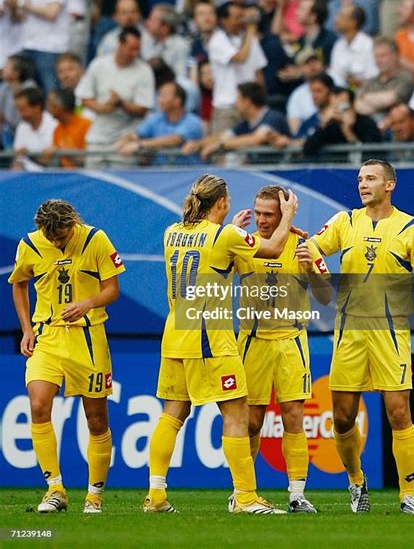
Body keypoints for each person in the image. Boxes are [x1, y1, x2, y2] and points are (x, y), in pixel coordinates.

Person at [143, 173, 297, 514]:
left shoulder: (173, 233)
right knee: (236, 413)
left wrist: (235, 233)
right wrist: (287, 216)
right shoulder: (225, 235)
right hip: (210, 339)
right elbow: (271, 249)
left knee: (172, 414)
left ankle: (155, 496)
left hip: (174, 335)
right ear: (223, 203)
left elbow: (214, 254)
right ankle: (244, 498)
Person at [310, 159, 414, 514]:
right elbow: (312, 250)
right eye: (359, 179)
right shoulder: (344, 221)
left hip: (390, 333)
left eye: (370, 178)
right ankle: (356, 483)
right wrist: (313, 263)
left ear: (389, 185)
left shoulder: (412, 228)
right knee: (342, 418)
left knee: (399, 413)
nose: (363, 184)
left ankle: (407, 495)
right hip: (349, 331)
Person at [8, 199, 125, 513]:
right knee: (37, 404)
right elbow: (19, 284)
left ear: (72, 223)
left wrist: (87, 303)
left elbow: (112, 289)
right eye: (51, 238)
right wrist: (26, 329)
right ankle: (55, 489)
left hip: (88, 337)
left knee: (97, 420)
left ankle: (94, 496)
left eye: (61, 236)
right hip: (47, 336)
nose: (56, 242)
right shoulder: (30, 244)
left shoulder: (95, 239)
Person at [233, 184, 332, 513]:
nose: (261, 220)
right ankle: (243, 492)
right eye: (257, 213)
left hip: (291, 340)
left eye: (268, 214)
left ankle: (296, 493)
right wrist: (231, 232)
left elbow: (326, 296)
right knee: (250, 421)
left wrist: (311, 270)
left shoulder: (304, 245)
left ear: (284, 214)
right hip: (253, 340)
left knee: (294, 417)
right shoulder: (244, 244)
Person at [76, 26, 155, 164]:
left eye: (138, 49)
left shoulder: (144, 70)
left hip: (126, 138)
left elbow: (143, 108)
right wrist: (103, 108)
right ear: (120, 44)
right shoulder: (98, 64)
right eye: (131, 49)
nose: (134, 53)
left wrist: (121, 103)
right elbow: (84, 97)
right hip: (98, 136)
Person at [185, 81, 290, 162]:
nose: (235, 103)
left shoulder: (272, 117)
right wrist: (198, 144)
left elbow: (256, 139)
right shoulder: (246, 124)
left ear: (247, 101)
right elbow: (224, 136)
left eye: (238, 99)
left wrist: (219, 146)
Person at [207, 2, 267, 133]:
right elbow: (241, 58)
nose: (242, 21)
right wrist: (251, 31)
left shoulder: (251, 39)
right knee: (221, 150)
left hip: (250, 105)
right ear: (224, 21)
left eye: (242, 16)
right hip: (227, 107)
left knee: (250, 151)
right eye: (237, 17)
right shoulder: (217, 40)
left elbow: (258, 71)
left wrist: (262, 100)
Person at [116, 81, 203, 165]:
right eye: (159, 95)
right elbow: (136, 135)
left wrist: (139, 145)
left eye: (163, 96)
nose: (159, 99)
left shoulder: (193, 122)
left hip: (187, 175)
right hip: (158, 173)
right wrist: (126, 139)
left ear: (177, 101)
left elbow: (174, 140)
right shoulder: (155, 118)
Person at [303, 87, 382, 157]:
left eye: (342, 106)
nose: (338, 110)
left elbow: (372, 155)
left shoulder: (366, 123)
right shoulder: (330, 125)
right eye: (334, 106)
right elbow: (307, 150)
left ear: (352, 105)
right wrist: (323, 124)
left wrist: (347, 131)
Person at [355, 38, 414, 124]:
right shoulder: (370, 81)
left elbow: (391, 99)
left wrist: (365, 97)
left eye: (383, 56)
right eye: (376, 56)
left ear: (395, 55)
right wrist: (381, 102)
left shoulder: (406, 79)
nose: (378, 61)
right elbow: (357, 106)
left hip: (393, 127)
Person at [328, 6, 378, 88]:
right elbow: (334, 74)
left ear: (353, 22)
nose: (336, 19)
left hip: (364, 93)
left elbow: (373, 78)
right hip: (340, 93)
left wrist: (351, 82)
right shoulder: (338, 45)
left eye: (341, 16)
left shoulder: (368, 45)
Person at [45, 87, 92, 168]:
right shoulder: (57, 129)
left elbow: (90, 159)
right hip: (66, 177)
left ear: (60, 106)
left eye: (50, 103)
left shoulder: (86, 125)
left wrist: (61, 152)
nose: (47, 107)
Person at [12, 86, 57, 170]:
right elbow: (17, 161)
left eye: (23, 109)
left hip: (49, 178)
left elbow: (49, 161)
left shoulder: (54, 125)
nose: (20, 114)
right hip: (25, 177)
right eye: (18, 109)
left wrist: (29, 155)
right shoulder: (21, 126)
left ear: (37, 107)